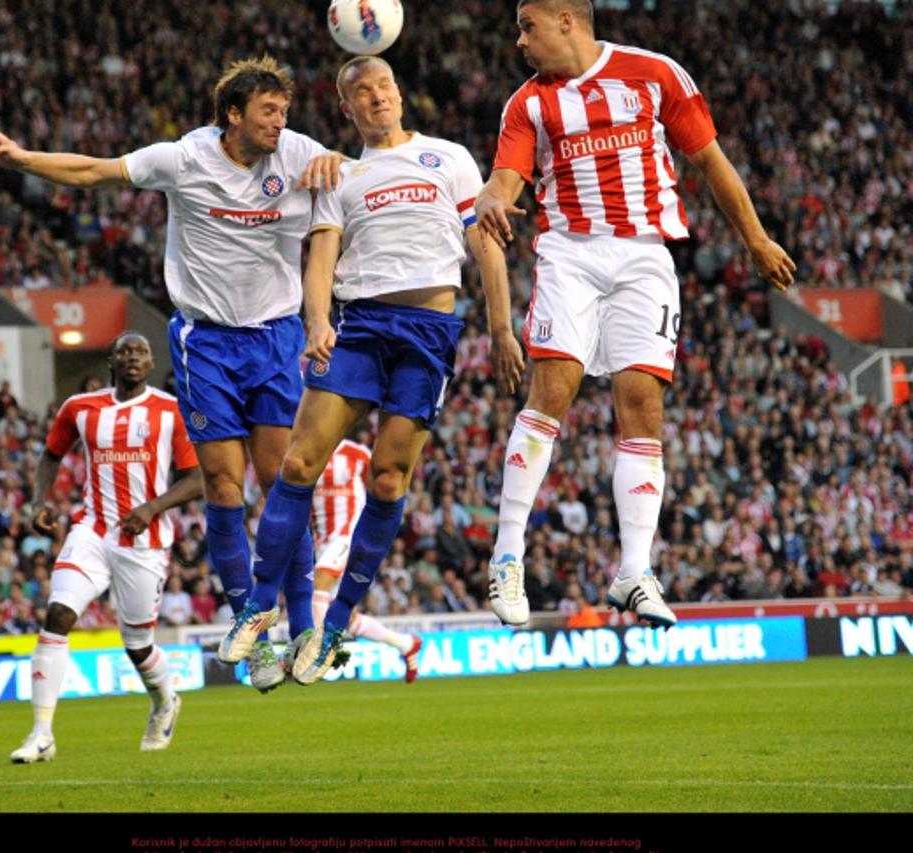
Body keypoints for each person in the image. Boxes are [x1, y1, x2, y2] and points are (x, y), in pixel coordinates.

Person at [0, 56, 343, 693]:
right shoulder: (185, 158)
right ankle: (252, 626)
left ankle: (304, 624)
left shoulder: (300, 154)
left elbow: (345, 205)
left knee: (282, 480)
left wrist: (318, 311)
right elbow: (95, 171)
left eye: (284, 111)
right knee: (224, 488)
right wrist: (20, 157)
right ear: (233, 114)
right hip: (206, 341)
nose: (281, 122)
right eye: (268, 111)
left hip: (276, 336)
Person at [473, 0, 796, 629]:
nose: (519, 41)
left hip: (646, 255)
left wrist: (755, 238)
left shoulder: (654, 74)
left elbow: (709, 160)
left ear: (567, 20)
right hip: (569, 252)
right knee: (552, 392)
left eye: (526, 26)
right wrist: (490, 197)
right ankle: (507, 554)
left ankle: (634, 572)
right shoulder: (528, 104)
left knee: (643, 408)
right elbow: (504, 181)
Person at [220, 55, 523, 685]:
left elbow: (485, 244)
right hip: (359, 328)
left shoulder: (450, 158)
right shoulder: (341, 174)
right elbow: (321, 256)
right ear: (348, 107)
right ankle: (255, 609)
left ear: (400, 96)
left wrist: (500, 328)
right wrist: (317, 319)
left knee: (388, 482)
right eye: (363, 90)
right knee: (299, 464)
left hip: (430, 331)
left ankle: (337, 628)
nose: (377, 96)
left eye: (384, 85)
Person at [13, 332, 202, 761]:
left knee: (137, 646)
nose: (133, 357)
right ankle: (41, 734)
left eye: (141, 351)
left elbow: (197, 479)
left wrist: (152, 508)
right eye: (125, 351)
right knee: (58, 614)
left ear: (150, 364)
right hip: (93, 530)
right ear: (111, 362)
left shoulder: (171, 411)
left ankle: (165, 701)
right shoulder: (80, 408)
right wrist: (40, 500)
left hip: (144, 541)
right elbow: (50, 455)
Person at [309, 436, 422, 682]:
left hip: (348, 534)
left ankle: (316, 651)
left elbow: (382, 490)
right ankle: (405, 644)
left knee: (319, 584)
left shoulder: (357, 453)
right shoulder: (309, 450)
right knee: (344, 614)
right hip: (323, 539)